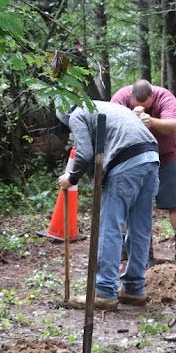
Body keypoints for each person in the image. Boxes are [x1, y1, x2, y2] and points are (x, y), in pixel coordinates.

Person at [57, 101, 159, 309]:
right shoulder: (102, 107)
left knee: (109, 226)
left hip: (127, 162)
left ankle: (104, 291)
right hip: (151, 157)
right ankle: (133, 289)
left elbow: (84, 153)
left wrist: (72, 177)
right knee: (140, 227)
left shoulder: (77, 114)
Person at [111, 79, 176, 262]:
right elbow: (110, 125)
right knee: (131, 203)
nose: (142, 108)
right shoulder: (120, 98)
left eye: (146, 105)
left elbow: (172, 125)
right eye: (137, 105)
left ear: (152, 96)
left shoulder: (165, 97)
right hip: (130, 159)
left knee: (175, 200)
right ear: (130, 96)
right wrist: (129, 118)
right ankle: (131, 246)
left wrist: (152, 121)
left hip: (164, 157)